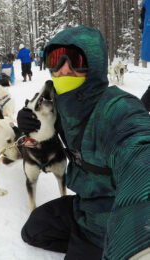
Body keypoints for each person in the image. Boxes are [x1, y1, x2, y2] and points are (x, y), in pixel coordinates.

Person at [17, 26, 150, 260]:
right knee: (33, 231)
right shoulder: (62, 105)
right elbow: (45, 114)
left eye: (75, 60)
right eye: (56, 59)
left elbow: (140, 152)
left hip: (111, 222)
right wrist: (26, 120)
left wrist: (136, 244)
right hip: (83, 207)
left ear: (95, 65)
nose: (64, 69)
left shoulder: (117, 109)